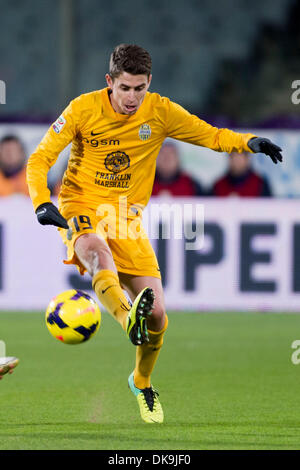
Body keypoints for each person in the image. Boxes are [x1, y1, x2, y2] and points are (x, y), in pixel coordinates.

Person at [26, 44, 282, 424]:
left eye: (139, 89)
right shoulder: (82, 109)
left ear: (149, 84)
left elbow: (209, 135)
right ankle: (127, 315)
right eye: (125, 88)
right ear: (109, 82)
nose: (132, 98)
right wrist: (41, 201)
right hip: (80, 205)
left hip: (125, 219)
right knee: (97, 253)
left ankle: (141, 382)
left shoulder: (160, 112)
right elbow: (40, 159)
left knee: (159, 316)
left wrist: (248, 142)